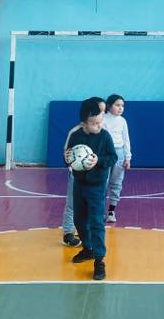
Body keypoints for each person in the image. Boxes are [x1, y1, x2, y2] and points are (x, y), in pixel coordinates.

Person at [65, 98, 117, 280]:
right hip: (79, 184)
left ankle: (99, 260)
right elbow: (69, 156)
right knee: (79, 220)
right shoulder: (75, 136)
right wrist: (67, 158)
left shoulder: (105, 136)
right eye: (94, 123)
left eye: (100, 122)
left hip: (97, 187)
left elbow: (113, 158)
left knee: (96, 222)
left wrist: (98, 160)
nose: (99, 126)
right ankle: (88, 249)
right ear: (84, 122)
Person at [61, 97, 105, 247]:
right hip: (78, 176)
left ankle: (89, 233)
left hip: (96, 177)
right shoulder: (75, 132)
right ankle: (68, 233)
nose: (102, 114)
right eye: (100, 111)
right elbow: (67, 152)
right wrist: (70, 162)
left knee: (93, 205)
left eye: (103, 112)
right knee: (72, 203)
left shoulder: (103, 132)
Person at [103, 94, 131, 223]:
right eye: (117, 105)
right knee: (102, 182)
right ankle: (99, 211)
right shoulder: (102, 119)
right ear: (109, 106)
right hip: (105, 154)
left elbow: (126, 140)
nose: (120, 108)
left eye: (122, 106)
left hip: (119, 154)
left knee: (116, 182)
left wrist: (127, 158)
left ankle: (111, 211)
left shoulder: (122, 121)